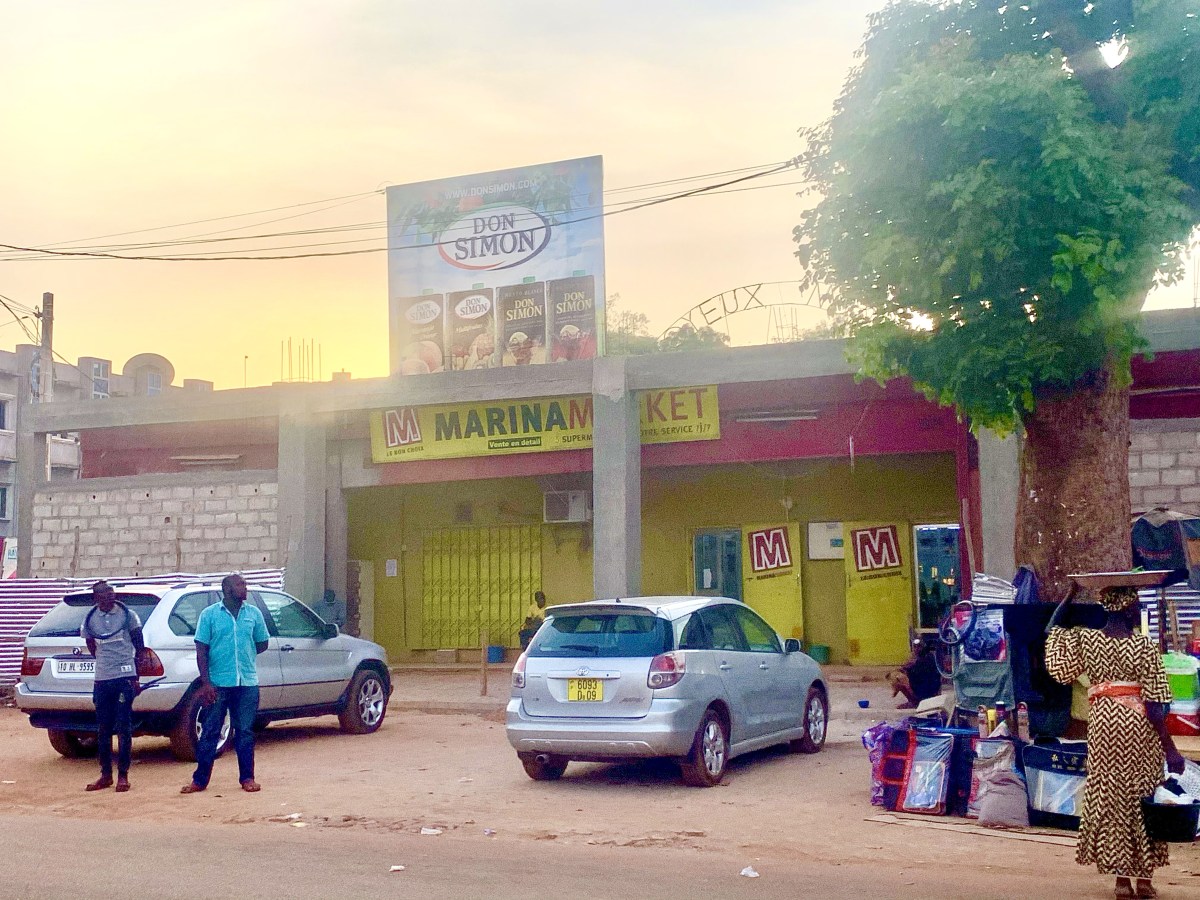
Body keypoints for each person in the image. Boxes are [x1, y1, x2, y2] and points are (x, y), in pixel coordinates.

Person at [1046, 583, 1186, 900]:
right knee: (1143, 800)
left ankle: (1122, 881)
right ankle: (1144, 880)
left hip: (1104, 729)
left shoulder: (1087, 640)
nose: (1139, 611)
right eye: (1136, 606)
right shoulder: (1144, 647)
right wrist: (1171, 749)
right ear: (1127, 608)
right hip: (1139, 733)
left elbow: (1053, 633)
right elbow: (1154, 704)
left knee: (1113, 803)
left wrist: (1069, 597)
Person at [181, 573, 270, 795]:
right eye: (241, 585)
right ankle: (199, 780)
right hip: (218, 685)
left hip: (247, 683)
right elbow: (201, 650)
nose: (245, 588)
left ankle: (247, 778)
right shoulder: (209, 615)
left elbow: (262, 643)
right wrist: (206, 683)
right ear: (228, 589)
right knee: (210, 732)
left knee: (245, 732)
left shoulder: (253, 614)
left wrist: (243, 654)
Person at [81, 580, 148, 793]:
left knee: (124, 727)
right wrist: (105, 663)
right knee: (103, 729)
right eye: (104, 593)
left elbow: (140, 646)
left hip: (125, 677)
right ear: (96, 598)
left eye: (111, 592)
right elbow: (91, 645)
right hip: (102, 679)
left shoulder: (129, 616)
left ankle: (123, 776)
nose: (110, 596)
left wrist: (135, 675)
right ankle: (105, 775)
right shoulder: (90, 620)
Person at [886, 639, 941, 708]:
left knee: (899, 678)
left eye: (918, 647)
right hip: (931, 691)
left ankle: (914, 702)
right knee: (898, 675)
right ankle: (915, 700)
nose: (916, 649)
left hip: (926, 691)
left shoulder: (921, 660)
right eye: (915, 647)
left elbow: (909, 670)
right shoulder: (929, 657)